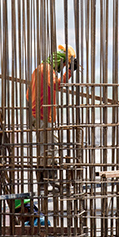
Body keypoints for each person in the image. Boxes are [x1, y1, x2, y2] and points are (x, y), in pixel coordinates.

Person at [26, 44, 78, 181]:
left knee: (45, 145)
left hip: (36, 113)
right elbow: (57, 85)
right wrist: (70, 72)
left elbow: (28, 95)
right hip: (43, 114)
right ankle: (48, 176)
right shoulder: (47, 69)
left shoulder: (38, 69)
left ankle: (44, 177)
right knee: (49, 145)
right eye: (65, 64)